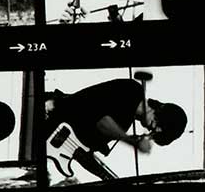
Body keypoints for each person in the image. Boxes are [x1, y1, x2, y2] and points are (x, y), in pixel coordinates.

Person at [41, 72, 188, 183]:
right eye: (161, 126)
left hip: (52, 138)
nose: (156, 130)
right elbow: (102, 121)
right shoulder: (133, 90)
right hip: (48, 115)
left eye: (158, 132)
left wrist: (105, 176)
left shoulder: (125, 124)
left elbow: (81, 149)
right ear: (161, 111)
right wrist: (133, 142)